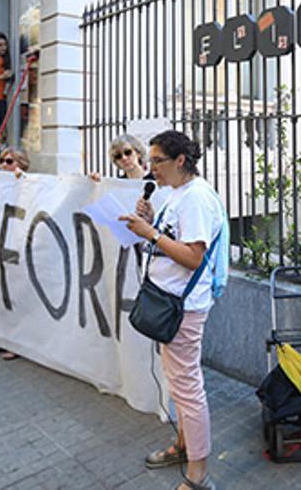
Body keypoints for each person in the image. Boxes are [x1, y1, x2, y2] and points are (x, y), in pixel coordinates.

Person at [121, 130, 228, 490]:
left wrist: (150, 234)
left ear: (180, 160)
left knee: (187, 388)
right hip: (170, 301)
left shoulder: (195, 198)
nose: (151, 169)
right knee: (181, 385)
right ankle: (184, 446)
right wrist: (151, 222)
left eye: (157, 161)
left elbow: (193, 256)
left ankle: (198, 476)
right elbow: (174, 242)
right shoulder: (179, 195)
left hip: (182, 308)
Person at [0, 148, 31, 361]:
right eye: (2, 161)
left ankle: (17, 342)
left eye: (9, 161)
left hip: (17, 246)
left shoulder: (31, 184)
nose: (4, 165)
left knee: (15, 296)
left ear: (21, 163)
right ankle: (0, 338)